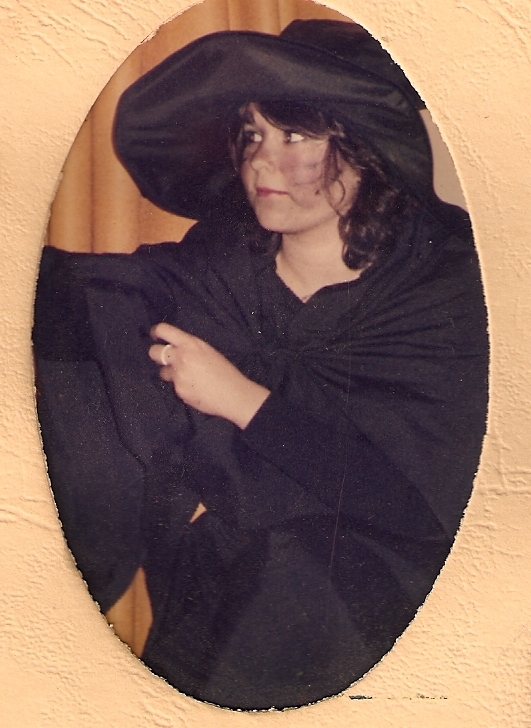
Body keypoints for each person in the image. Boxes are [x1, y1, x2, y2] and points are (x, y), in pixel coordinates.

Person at [33, 20, 488, 710]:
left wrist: (242, 401)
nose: (260, 163)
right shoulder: (224, 260)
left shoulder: (443, 290)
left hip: (368, 594)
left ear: (363, 149)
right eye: (251, 134)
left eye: (294, 136)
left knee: (288, 582)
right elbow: (104, 296)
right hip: (224, 570)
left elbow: (419, 500)